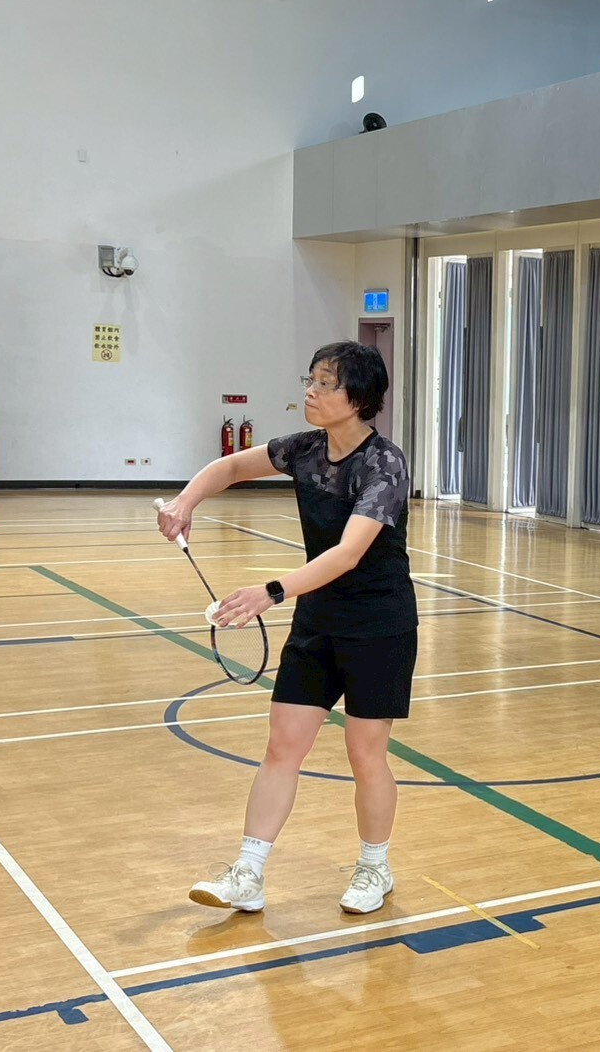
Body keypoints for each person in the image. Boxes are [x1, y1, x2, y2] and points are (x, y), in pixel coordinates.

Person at [156, 341, 417, 912]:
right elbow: (230, 467)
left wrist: (270, 592)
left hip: (378, 625)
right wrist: (185, 502)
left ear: (358, 398)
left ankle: (375, 868)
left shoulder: (384, 465)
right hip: (318, 620)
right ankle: (248, 873)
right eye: (311, 380)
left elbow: (348, 553)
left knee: (365, 755)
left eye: (325, 383)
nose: (311, 392)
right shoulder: (303, 449)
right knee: (282, 746)